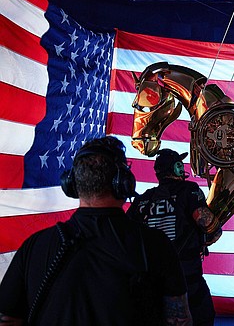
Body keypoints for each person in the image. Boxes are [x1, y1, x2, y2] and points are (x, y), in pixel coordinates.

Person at [0, 136, 192, 326]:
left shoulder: (35, 246)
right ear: (123, 183)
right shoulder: (155, 244)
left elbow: (8, 318)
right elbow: (179, 320)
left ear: (72, 184)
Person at [127, 149, 222, 326]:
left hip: (152, 286)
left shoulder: (143, 200)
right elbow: (209, 226)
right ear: (176, 168)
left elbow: (127, 237)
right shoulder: (188, 190)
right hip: (188, 281)